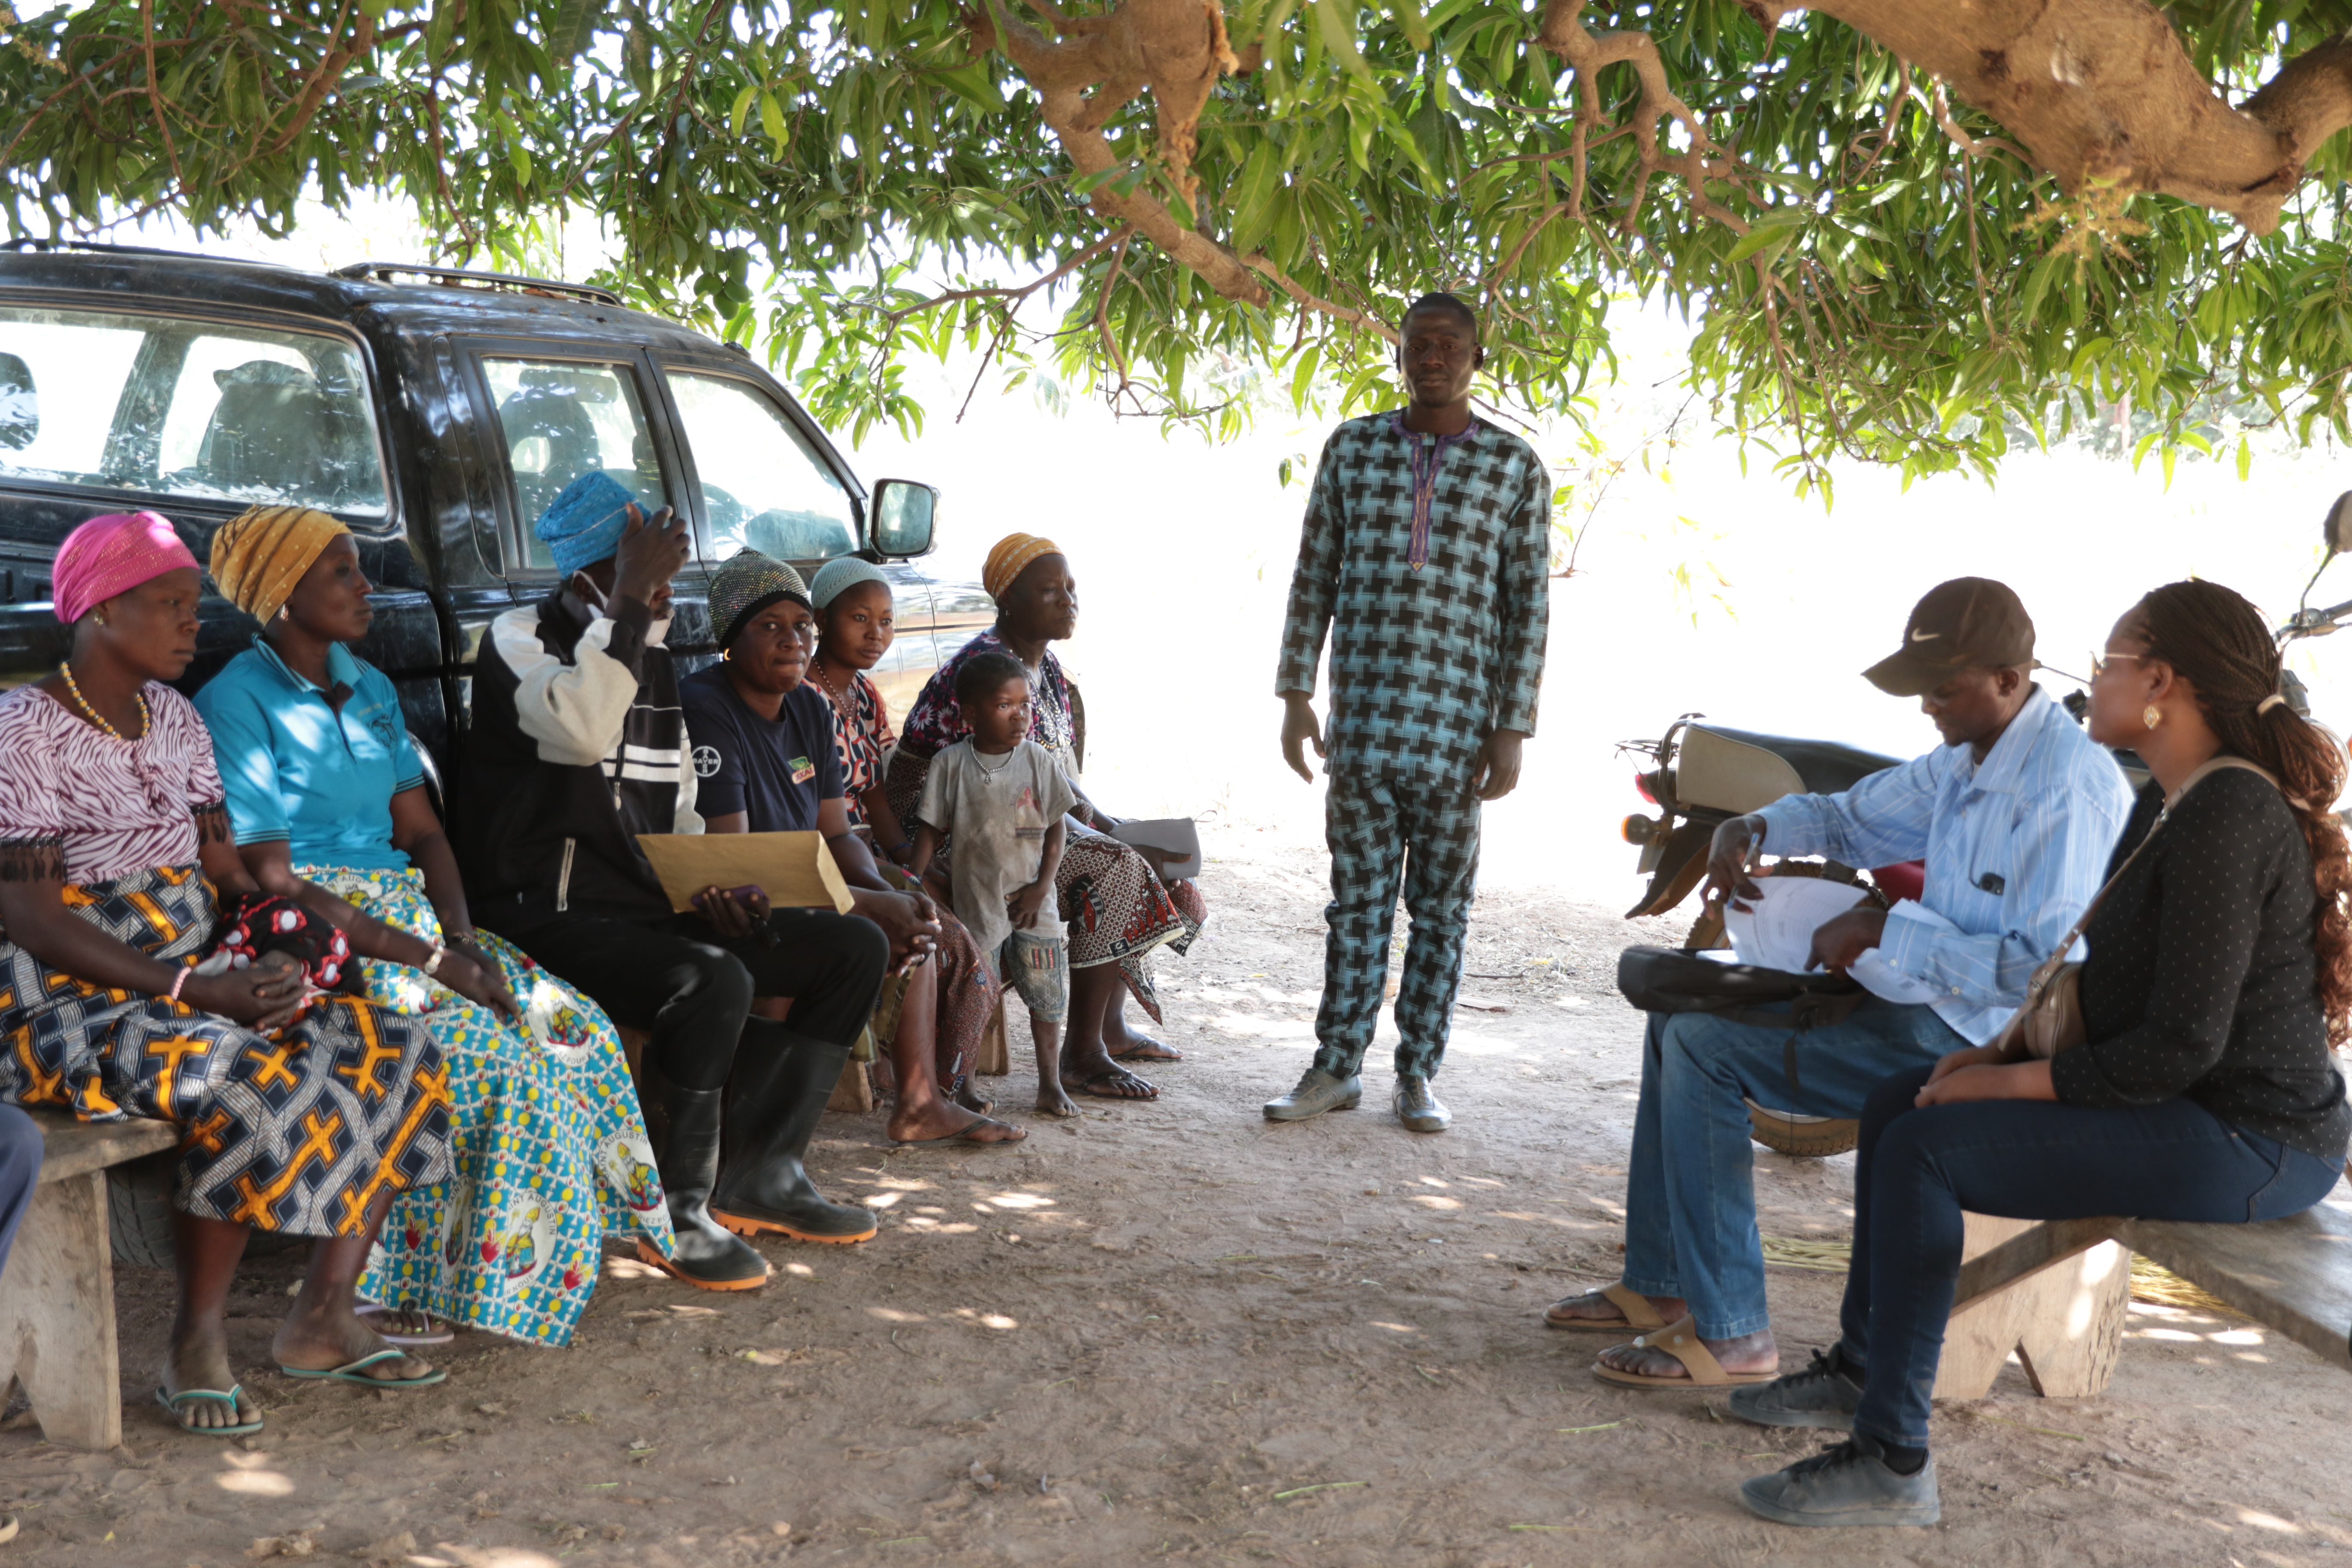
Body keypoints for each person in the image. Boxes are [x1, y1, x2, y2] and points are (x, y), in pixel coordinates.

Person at [1732, 579, 2351, 1527]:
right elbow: (2095, 987)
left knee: (1923, 1151)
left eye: (2108, 663)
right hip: (2185, 1107)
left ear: (2162, 684)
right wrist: (1987, 1053)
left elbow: (2180, 1047)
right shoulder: (2173, 804)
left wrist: (2011, 1078)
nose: (2090, 680)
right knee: (1902, 1102)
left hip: (2255, 1140)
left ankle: (1893, 1459)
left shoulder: (2228, 816)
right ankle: (1862, 1374)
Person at [1555, 578, 2135, 1391]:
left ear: (2009, 680)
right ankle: (1660, 1278)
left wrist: (1884, 929)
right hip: (1923, 1002)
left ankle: (1733, 1337)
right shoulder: (1966, 757)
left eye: (1944, 687)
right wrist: (1755, 826)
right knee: (1674, 1016)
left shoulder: (2066, 788)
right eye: (1923, 687)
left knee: (1702, 1048)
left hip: (1980, 1041)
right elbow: (1849, 819)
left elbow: (2036, 971)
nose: (1928, 705)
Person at [0, 511, 457, 1436]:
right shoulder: (24, 731)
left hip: (192, 971)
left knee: (391, 1045)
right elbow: (34, 919)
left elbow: (229, 876)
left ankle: (325, 1317)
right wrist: (195, 991)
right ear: (97, 613)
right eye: (167, 605)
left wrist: (287, 947)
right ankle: (193, 1346)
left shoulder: (173, 718)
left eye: (191, 605)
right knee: (243, 1074)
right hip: (66, 999)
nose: (190, 623)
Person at [195, 503, 674, 1347]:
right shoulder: (237, 701)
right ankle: (392, 1283)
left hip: (410, 919)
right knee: (483, 1059)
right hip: (318, 930)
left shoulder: (370, 686)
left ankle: (510, 1256)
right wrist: (432, 962)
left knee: (570, 1026)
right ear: (281, 596)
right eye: (340, 571)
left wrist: (457, 940)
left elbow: (420, 832)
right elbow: (272, 877)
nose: (364, 585)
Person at [457, 472, 889, 1290]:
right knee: (711, 979)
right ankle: (674, 1213)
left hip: (644, 907)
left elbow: (682, 812)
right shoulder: (519, 638)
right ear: (595, 575)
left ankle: (763, 1175)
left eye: (663, 578)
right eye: (651, 575)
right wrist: (627, 603)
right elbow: (582, 728)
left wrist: (717, 885)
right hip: (541, 911)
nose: (663, 595)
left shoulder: (645, 657)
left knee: (849, 945)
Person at [1268, 291, 1550, 1135]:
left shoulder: (1514, 468)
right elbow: (1313, 575)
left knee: (1441, 913)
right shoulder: (1353, 450)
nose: (1434, 357)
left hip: (1457, 736)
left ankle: (1418, 1073)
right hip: (1362, 729)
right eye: (1419, 343)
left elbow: (1528, 606)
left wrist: (1511, 726)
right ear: (1398, 352)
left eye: (1450, 344)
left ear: (1476, 355)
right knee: (1354, 907)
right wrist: (1294, 694)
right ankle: (1335, 1067)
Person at [682, 551, 1017, 1145]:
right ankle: (751, 1135)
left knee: (912, 918)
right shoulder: (710, 708)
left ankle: (919, 1102)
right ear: (731, 640)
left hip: (803, 879)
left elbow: (836, 833)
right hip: (743, 893)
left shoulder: (809, 707)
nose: (794, 642)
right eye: (770, 627)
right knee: (835, 937)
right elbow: (732, 857)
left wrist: (889, 885)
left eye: (800, 628)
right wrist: (862, 901)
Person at [891, 533, 1206, 1100]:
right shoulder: (986, 675)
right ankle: (1083, 1054)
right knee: (1118, 868)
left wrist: (1121, 829)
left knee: (1167, 871)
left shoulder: (1050, 672)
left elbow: (1060, 789)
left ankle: (1105, 1027)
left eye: (1071, 588)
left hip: (1026, 826)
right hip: (961, 835)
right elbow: (998, 798)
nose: (1068, 600)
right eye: (1049, 590)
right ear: (1008, 599)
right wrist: (1115, 840)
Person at [809, 556, 999, 1119]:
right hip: (830, 848)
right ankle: (932, 1088)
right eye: (860, 618)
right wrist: (891, 873)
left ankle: (939, 1076)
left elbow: (874, 797)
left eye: (887, 621)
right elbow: (827, 822)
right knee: (948, 938)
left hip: (867, 842)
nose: (877, 634)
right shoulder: (802, 696)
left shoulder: (863, 695)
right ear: (822, 619)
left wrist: (909, 862)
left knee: (945, 899)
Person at [912, 652, 1080, 1116]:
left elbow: (1057, 828)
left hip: (1034, 901)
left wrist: (1043, 887)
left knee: (1047, 996)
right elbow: (930, 830)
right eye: (1005, 705)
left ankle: (1050, 1085)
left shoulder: (1038, 760)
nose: (1020, 715)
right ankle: (964, 1086)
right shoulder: (951, 764)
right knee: (974, 994)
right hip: (978, 901)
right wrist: (910, 880)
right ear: (970, 714)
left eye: (1025, 704)